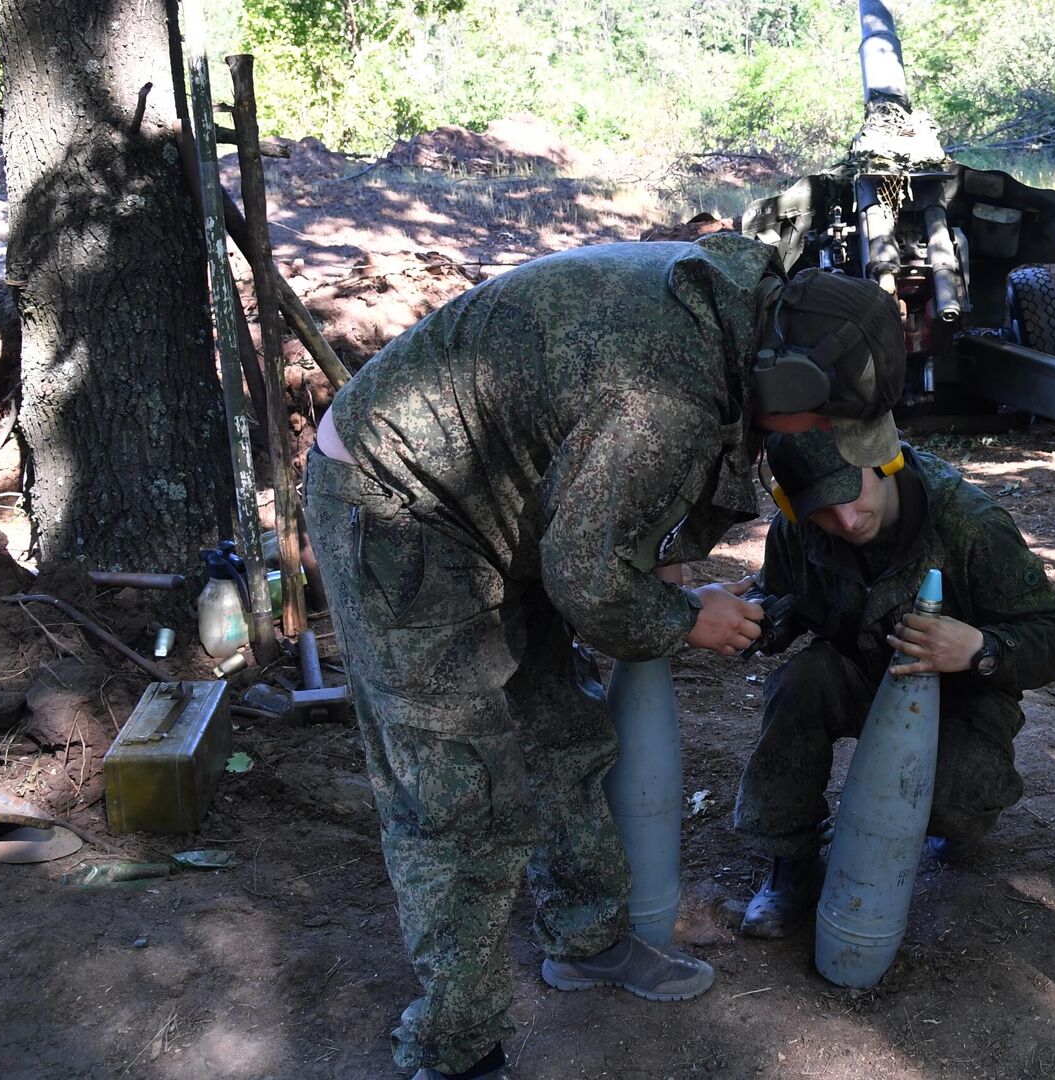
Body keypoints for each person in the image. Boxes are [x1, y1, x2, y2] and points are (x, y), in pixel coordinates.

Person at [302, 234, 906, 1080]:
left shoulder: (750, 316)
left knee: (562, 734)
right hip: (401, 504)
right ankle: (456, 1049)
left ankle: (585, 940)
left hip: (498, 498)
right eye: (827, 421)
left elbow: (640, 493)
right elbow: (587, 577)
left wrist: (668, 560)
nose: (825, 437)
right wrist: (682, 620)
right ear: (791, 381)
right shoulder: (663, 392)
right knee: (456, 791)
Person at [731, 427, 1055, 936]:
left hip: (955, 695)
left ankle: (962, 817)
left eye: (851, 493)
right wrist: (755, 617)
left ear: (882, 461)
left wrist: (979, 649)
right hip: (856, 673)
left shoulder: (970, 526)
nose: (845, 521)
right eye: (822, 508)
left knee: (953, 810)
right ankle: (791, 862)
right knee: (801, 682)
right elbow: (784, 595)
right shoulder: (799, 527)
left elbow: (1054, 638)